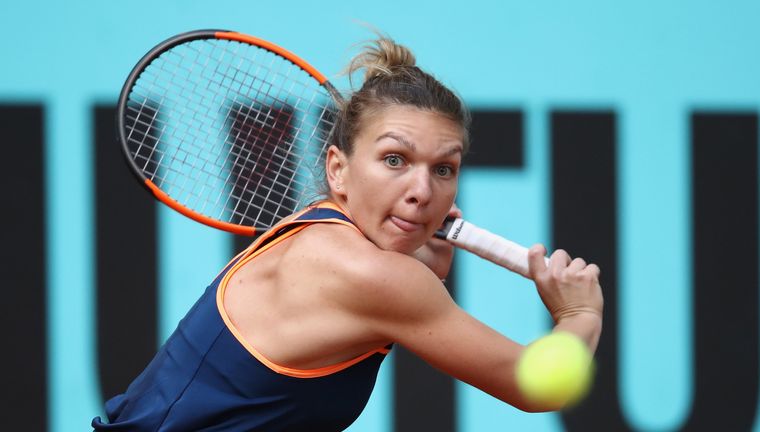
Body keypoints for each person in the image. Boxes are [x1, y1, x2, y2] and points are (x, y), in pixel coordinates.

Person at [93, 35, 603, 431]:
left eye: (443, 169)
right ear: (337, 169)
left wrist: (423, 272)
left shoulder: (325, 232)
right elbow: (537, 385)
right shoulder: (373, 276)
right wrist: (579, 313)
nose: (421, 190)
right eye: (395, 160)